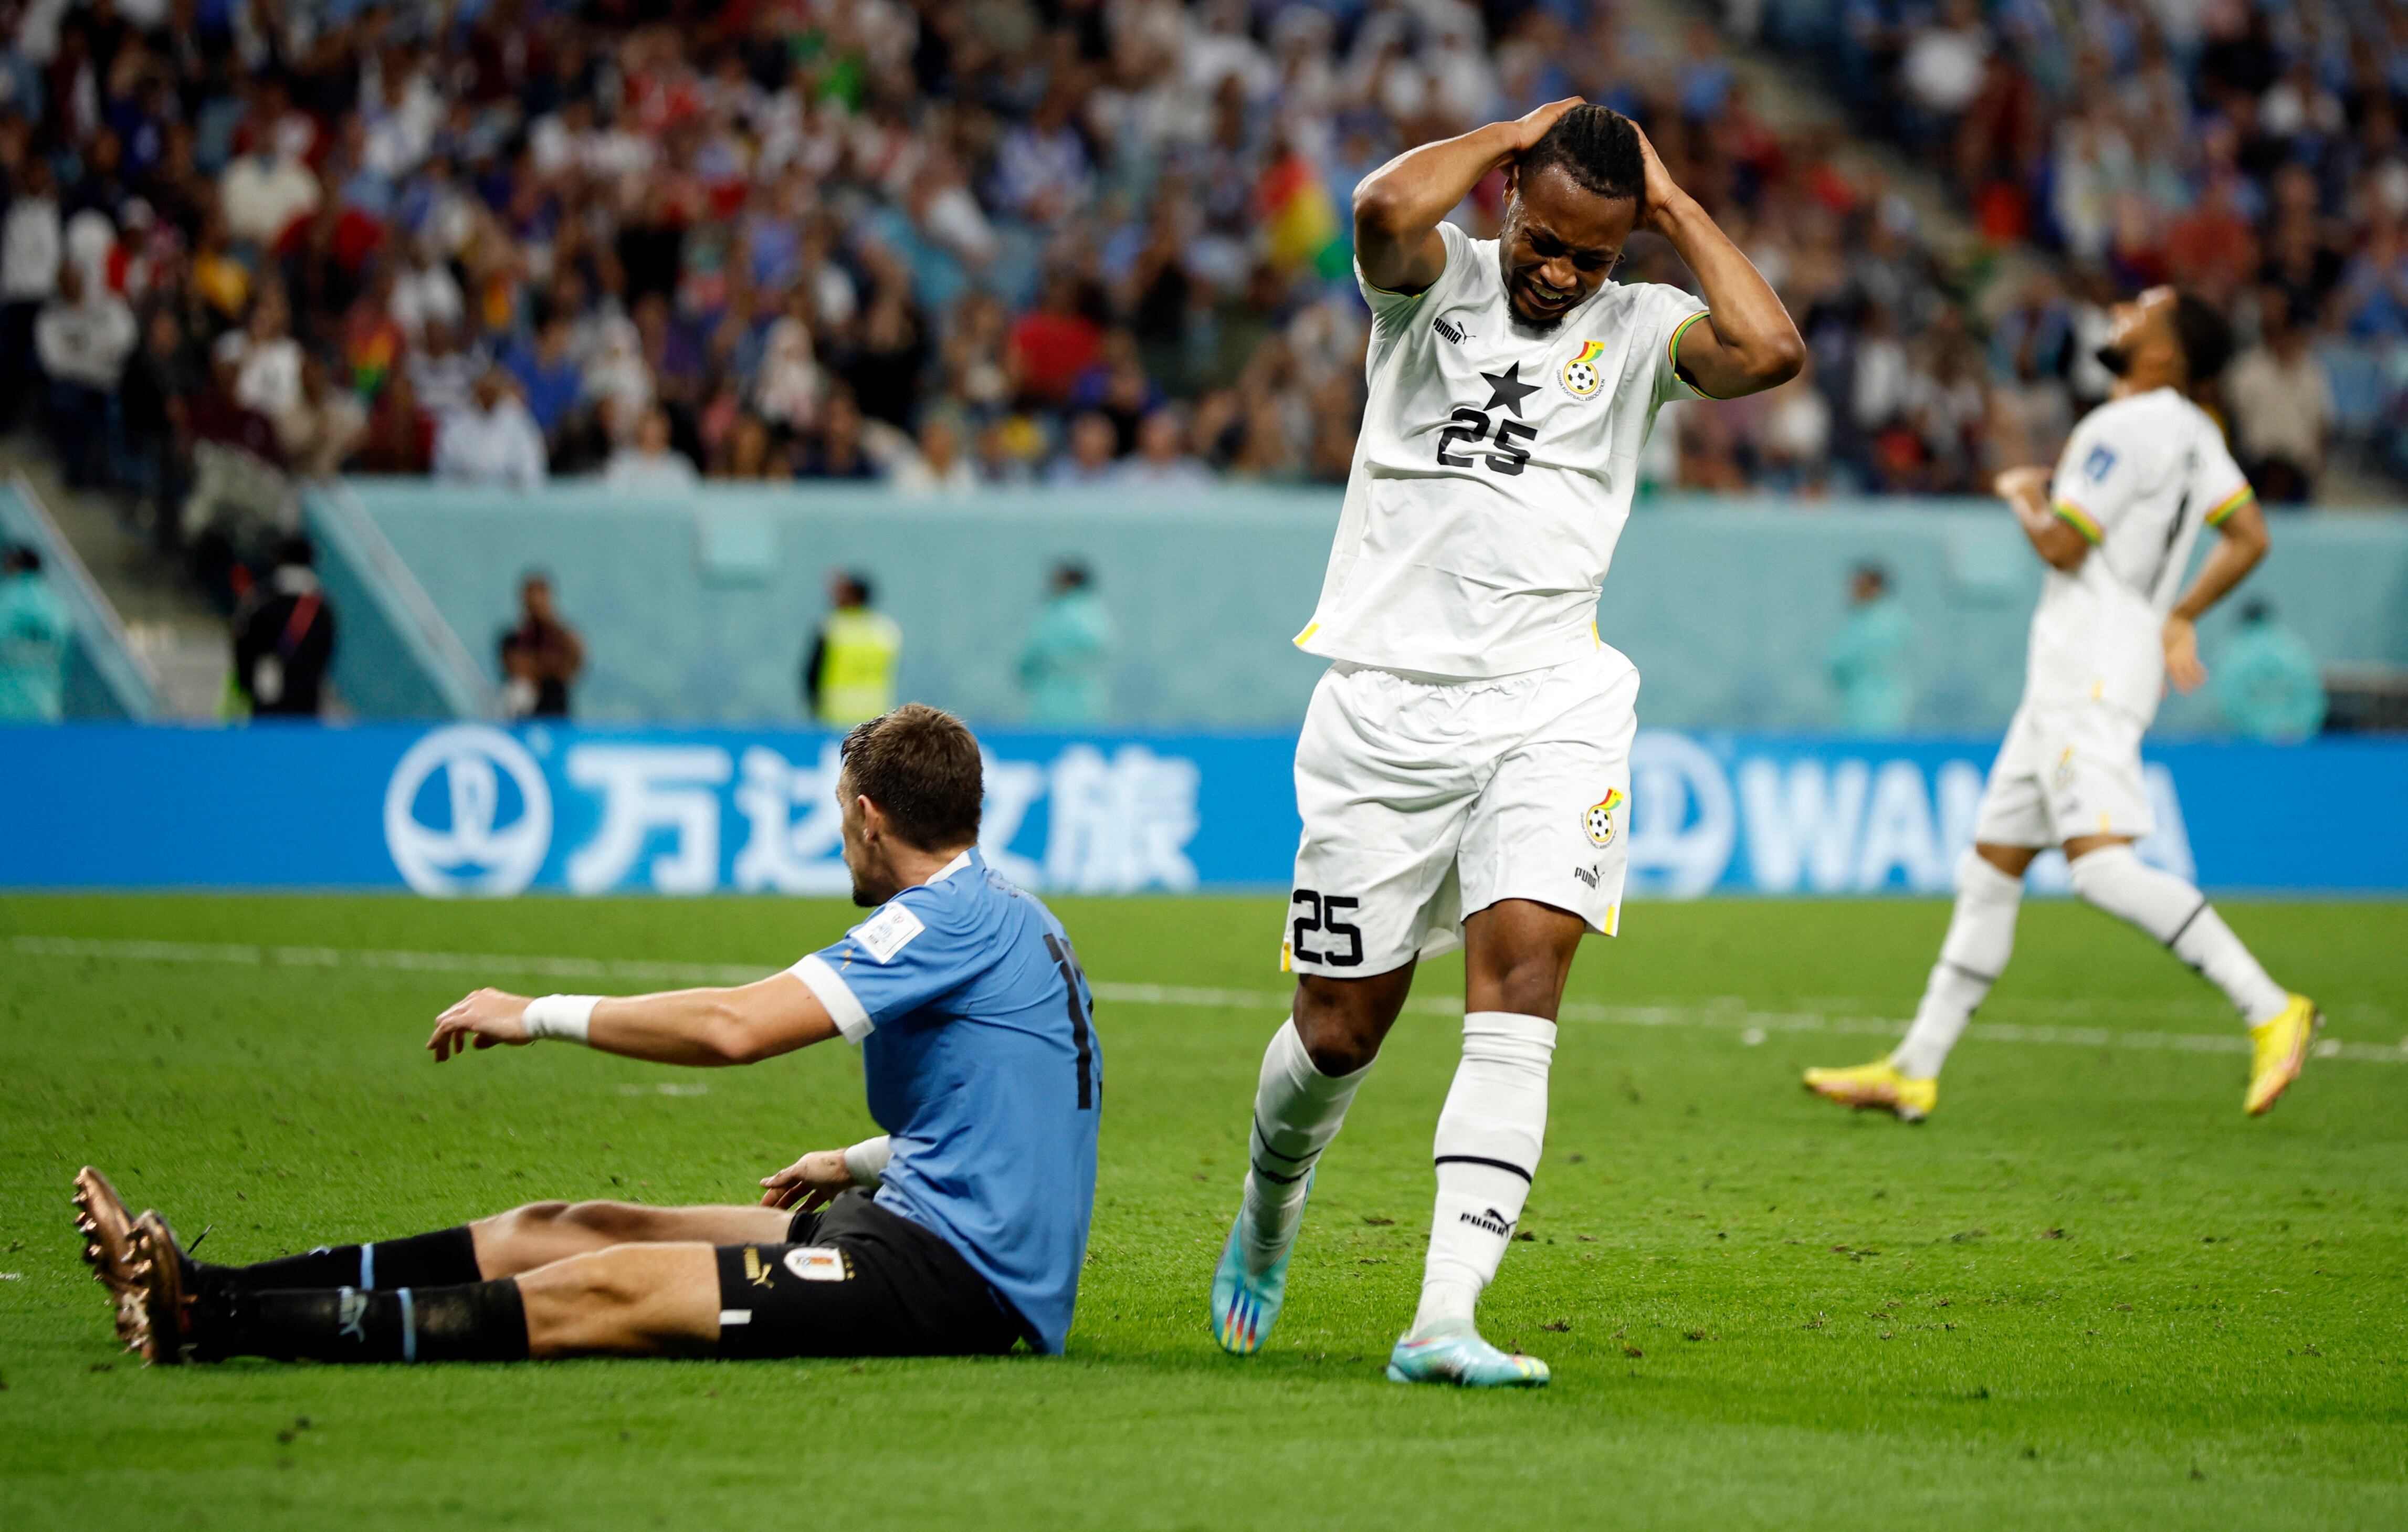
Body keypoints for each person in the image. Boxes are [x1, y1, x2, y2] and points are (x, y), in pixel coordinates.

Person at [1208, 102, 1804, 1388]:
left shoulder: (1641, 324)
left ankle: (1443, 1314)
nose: (1562, 272)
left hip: (1554, 700)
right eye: (1547, 240)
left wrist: (1673, 208)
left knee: (1522, 980)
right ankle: (1270, 1199)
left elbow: (1768, 347)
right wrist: (1512, 132)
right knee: (1340, 1028)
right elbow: (1378, 211)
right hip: (1381, 709)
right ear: (1510, 200)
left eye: (1593, 255)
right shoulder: (1434, 286)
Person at [76, 705, 1101, 1367]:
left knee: (599, 1292)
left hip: (953, 1279)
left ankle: (207, 1324)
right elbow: (1022, 1108)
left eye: (842, 815)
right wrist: (860, 1158)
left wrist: (537, 1015)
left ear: (871, 819)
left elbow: (735, 1027)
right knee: (571, 1225)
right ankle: (204, 1281)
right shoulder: (1014, 916)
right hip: (914, 1223)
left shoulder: (938, 920)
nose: (842, 834)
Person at [1804, 287, 2320, 1125]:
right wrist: (2178, 613)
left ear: (2164, 353)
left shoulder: (2117, 428)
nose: (2122, 310)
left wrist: (2019, 491)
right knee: (1990, 868)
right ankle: (1914, 1067)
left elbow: (2060, 542)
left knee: (2099, 868)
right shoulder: (2195, 432)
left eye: (2143, 309)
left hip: (2087, 675)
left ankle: (2268, 1007)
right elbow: (2249, 535)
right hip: (2076, 681)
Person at [229, 535, 337, 718]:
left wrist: (247, 685)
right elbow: (327, 651)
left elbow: (243, 646)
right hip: (306, 701)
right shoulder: (322, 609)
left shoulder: (260, 602)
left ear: (279, 559)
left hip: (267, 699)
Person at [2213, 599, 2325, 742]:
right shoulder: (2294, 648)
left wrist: (2259, 734)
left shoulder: (2235, 653)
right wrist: (2296, 732)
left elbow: (2229, 702)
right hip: (2297, 743)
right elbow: (2312, 695)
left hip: (2250, 748)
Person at [1016, 561, 1114, 724]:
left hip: (1050, 698)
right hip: (1089, 700)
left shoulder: (1053, 616)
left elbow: (1031, 656)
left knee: (1049, 745)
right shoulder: (1096, 615)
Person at [803, 571, 901, 727]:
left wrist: (812, 706)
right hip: (875, 715)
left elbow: (812, 674)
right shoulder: (886, 630)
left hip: (834, 715)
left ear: (855, 596)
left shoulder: (832, 627)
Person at [1826, 563, 1913, 734]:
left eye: (1860, 585)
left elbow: (1845, 661)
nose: (1853, 591)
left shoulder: (1884, 624)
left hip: (1876, 709)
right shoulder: (1865, 620)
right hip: (1859, 705)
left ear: (1876, 587)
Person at [433, 368, 549, 491]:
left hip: (509, 499)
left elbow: (532, 470)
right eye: (484, 389)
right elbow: (443, 471)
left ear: (501, 390)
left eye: (492, 389)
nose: (487, 393)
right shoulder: (456, 422)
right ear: (475, 390)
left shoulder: (520, 421)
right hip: (466, 499)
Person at [0, 544, 72, 722]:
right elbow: (65, 657)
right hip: (45, 709)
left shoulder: (5, 601)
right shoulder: (56, 606)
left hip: (6, 711)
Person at [498, 573, 585, 719]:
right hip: (523, 719)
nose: (536, 608)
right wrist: (550, 664)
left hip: (556, 715)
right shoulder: (513, 640)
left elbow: (571, 666)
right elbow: (518, 669)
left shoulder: (562, 638)